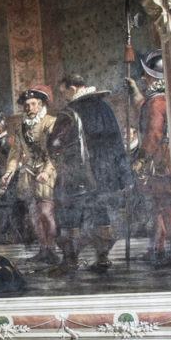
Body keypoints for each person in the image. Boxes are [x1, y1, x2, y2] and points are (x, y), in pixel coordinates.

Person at [48, 73, 132, 273]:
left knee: (69, 214)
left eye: (64, 93)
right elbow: (117, 144)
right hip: (105, 175)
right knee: (100, 212)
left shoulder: (69, 113)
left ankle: (71, 260)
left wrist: (61, 165)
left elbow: (54, 144)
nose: (64, 98)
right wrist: (124, 176)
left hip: (78, 176)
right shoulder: (105, 108)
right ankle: (102, 257)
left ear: (72, 89)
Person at [127, 51, 171, 265]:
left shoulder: (156, 102)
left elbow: (154, 134)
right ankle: (158, 248)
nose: (144, 78)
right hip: (165, 160)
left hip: (162, 161)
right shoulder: (164, 98)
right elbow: (145, 109)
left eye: (148, 75)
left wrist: (141, 158)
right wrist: (135, 92)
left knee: (166, 207)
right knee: (160, 206)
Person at [4, 87, 58, 264]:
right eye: (26, 105)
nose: (29, 108)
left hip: (47, 170)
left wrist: (47, 171)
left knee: (46, 212)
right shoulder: (20, 128)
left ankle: (52, 249)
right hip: (28, 172)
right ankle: (43, 249)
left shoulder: (50, 122)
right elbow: (14, 153)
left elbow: (55, 152)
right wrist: (8, 173)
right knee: (34, 215)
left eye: (33, 104)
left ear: (40, 104)